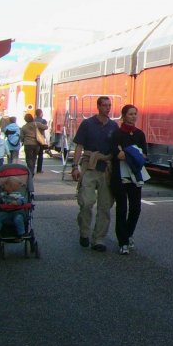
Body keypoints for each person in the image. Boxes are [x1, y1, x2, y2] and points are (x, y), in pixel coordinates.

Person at [70, 96, 118, 252]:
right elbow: (79, 146)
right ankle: (84, 232)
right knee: (86, 202)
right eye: (104, 105)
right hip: (89, 164)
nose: (107, 108)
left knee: (105, 206)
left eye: (109, 105)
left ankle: (99, 239)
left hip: (106, 167)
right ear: (98, 107)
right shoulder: (87, 124)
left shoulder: (113, 126)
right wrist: (74, 166)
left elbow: (118, 149)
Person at [111, 104, 148, 255]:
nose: (134, 116)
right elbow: (116, 154)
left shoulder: (139, 134)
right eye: (131, 114)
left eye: (135, 114)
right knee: (122, 208)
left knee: (135, 208)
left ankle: (128, 233)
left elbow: (144, 155)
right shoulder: (117, 133)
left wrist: (128, 153)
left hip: (135, 175)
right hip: (120, 175)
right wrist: (133, 154)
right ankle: (123, 241)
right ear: (124, 115)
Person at [34, 108, 48, 173]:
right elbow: (46, 127)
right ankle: (39, 169)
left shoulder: (33, 120)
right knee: (40, 154)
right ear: (41, 113)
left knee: (33, 155)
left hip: (33, 138)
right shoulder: (43, 121)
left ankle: (32, 168)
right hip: (41, 138)